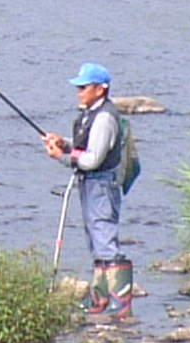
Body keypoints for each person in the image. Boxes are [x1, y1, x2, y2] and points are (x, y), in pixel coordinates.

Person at [41, 61, 135, 316]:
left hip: (102, 184)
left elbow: (93, 159)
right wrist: (65, 144)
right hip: (91, 183)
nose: (79, 91)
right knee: (94, 238)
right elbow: (88, 148)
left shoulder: (104, 117)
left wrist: (61, 157)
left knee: (104, 236)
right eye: (78, 87)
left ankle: (121, 303)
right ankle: (101, 298)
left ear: (100, 89)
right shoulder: (90, 113)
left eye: (84, 87)